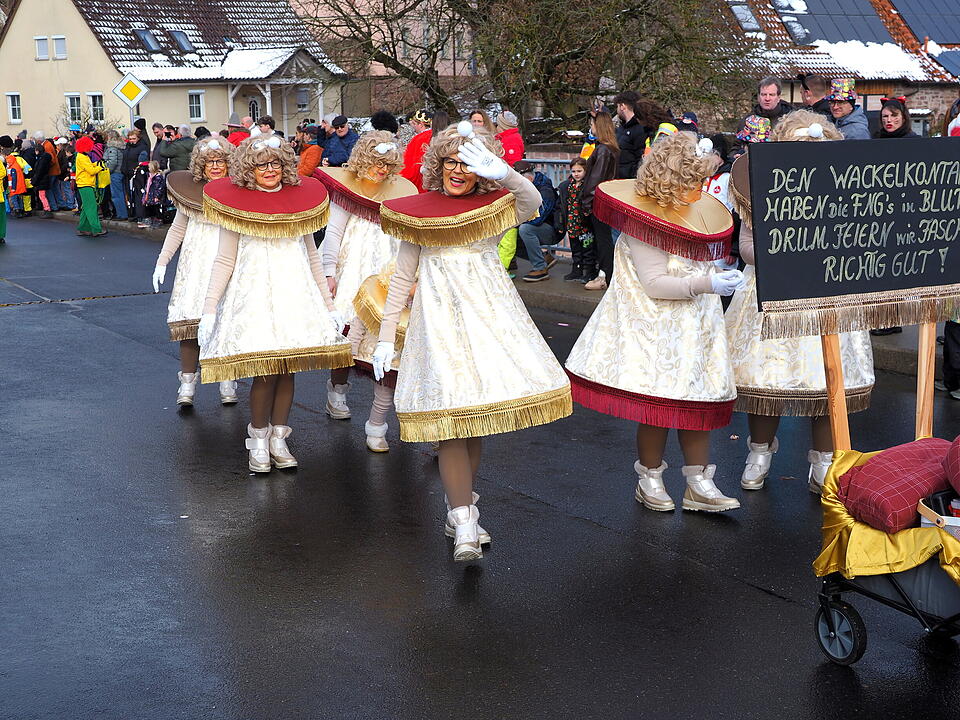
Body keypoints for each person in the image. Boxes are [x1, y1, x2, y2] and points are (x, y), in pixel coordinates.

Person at [373, 124, 572, 561]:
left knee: (473, 418)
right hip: (437, 325)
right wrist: (387, 336)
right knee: (449, 420)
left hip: (489, 320)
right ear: (436, 165)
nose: (457, 171)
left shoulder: (494, 206)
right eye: (450, 162)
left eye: (466, 163)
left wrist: (505, 173)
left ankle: (458, 505)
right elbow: (404, 276)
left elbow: (533, 203)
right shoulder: (418, 212)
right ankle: (464, 519)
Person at [565, 132, 743, 513]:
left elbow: (695, 261)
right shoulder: (643, 220)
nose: (698, 190)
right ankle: (650, 477)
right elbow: (656, 283)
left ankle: (698, 483)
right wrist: (708, 282)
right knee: (659, 402)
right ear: (671, 179)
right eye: (691, 181)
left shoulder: (689, 209)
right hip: (659, 329)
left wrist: (719, 269)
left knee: (697, 400)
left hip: (695, 325)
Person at [725, 110, 875, 494]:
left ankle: (823, 462)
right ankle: (759, 452)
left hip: (826, 297)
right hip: (772, 294)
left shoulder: (846, 194)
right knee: (766, 380)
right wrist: (788, 249)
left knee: (826, 380)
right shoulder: (762, 188)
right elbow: (746, 247)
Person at [198, 135, 352, 473]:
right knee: (264, 372)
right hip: (254, 297)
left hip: (294, 294)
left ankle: (279, 437)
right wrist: (209, 308)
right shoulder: (236, 204)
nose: (270, 170)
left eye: (276, 164)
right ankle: (258, 439)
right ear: (248, 169)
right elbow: (224, 259)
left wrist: (328, 306)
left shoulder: (300, 202)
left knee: (287, 369)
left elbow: (312, 256)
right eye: (262, 165)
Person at [313, 131, 417, 450]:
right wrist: (328, 272)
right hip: (353, 270)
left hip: (388, 270)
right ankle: (337, 390)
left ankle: (380, 417)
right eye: (374, 163)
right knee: (349, 340)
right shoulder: (347, 193)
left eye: (386, 165)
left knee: (391, 341)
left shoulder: (399, 192)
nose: (380, 170)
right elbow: (333, 236)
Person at [151, 137, 239, 407]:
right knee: (189, 326)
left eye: (220, 161)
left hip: (230, 263)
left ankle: (227, 379)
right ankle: (187, 383)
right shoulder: (189, 192)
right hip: (195, 263)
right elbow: (178, 228)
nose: (215, 166)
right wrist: (162, 261)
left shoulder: (239, 191)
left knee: (227, 322)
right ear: (201, 164)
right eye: (210, 161)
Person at [581, 109, 619, 290]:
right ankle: (605, 275)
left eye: (592, 124)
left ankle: (606, 276)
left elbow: (594, 180)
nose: (591, 127)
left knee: (603, 241)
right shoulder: (609, 149)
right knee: (604, 240)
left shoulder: (603, 150)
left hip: (598, 203)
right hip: (605, 202)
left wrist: (587, 203)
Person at [513, 160, 558, 282]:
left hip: (551, 229)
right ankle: (544, 258)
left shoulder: (545, 190)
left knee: (524, 229)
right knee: (509, 234)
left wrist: (517, 222)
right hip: (535, 224)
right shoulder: (528, 187)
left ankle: (540, 268)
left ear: (529, 179)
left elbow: (539, 217)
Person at [554, 157, 594, 281]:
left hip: (585, 224)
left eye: (579, 171)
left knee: (588, 249)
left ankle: (590, 271)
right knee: (575, 248)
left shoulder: (588, 186)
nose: (576, 174)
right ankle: (577, 269)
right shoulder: (566, 186)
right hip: (572, 222)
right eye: (574, 171)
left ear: (585, 171)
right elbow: (560, 206)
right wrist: (560, 224)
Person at [74, 135, 107, 237]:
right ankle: (96, 229)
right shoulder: (82, 157)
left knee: (86, 207)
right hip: (86, 184)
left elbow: (90, 166)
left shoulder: (82, 156)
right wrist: (100, 167)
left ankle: (83, 228)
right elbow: (91, 171)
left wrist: (97, 164)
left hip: (85, 184)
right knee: (92, 207)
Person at [613, 91, 645, 180]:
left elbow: (640, 158)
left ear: (622, 106)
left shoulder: (640, 129)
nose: (617, 110)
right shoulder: (621, 128)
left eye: (617, 106)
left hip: (629, 182)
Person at [399, 109, 433, 192]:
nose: (413, 127)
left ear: (421, 124)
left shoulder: (418, 139)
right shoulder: (437, 135)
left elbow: (410, 162)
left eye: (414, 124)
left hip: (419, 180)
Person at [122, 129, 149, 220]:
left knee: (138, 195)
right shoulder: (128, 146)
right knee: (129, 195)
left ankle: (140, 215)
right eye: (130, 139)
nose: (132, 141)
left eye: (133, 139)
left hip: (137, 175)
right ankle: (132, 213)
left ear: (138, 138)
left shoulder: (142, 147)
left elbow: (143, 162)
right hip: (127, 174)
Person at [103, 130, 127, 220]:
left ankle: (121, 215)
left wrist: (106, 170)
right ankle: (122, 213)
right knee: (120, 194)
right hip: (119, 172)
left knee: (116, 195)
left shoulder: (112, 148)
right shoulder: (121, 146)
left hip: (115, 173)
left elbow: (112, 162)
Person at [141, 161, 167, 229]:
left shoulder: (158, 177)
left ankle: (158, 221)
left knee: (156, 209)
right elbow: (147, 186)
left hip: (155, 196)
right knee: (150, 208)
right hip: (149, 195)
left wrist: (157, 196)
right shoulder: (149, 176)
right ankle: (151, 220)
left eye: (149, 167)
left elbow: (159, 188)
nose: (148, 168)